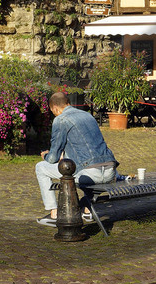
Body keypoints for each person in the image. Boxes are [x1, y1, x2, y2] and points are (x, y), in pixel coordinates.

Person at [32, 91, 118, 225]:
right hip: (110, 171)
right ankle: (87, 209)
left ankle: (54, 213)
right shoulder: (88, 116)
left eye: (52, 111)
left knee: (41, 167)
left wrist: (45, 155)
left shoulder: (61, 120)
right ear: (68, 103)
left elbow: (53, 158)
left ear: (54, 108)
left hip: (90, 174)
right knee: (81, 167)